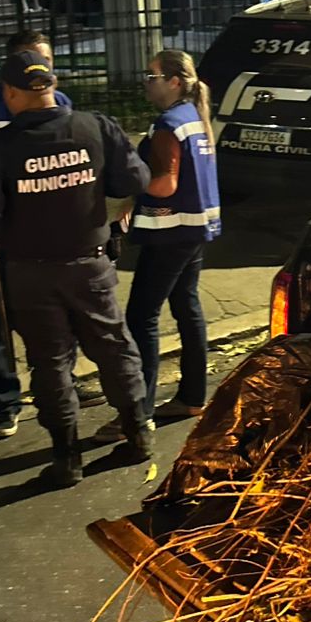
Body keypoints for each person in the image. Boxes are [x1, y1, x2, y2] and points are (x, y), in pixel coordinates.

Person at [0, 50, 150, 489]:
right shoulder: (95, 127)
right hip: (91, 265)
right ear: (52, 85)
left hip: (31, 274)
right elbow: (134, 180)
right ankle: (138, 434)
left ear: (10, 93)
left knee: (50, 362)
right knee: (114, 348)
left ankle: (67, 458)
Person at [0, 29, 73, 441]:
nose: (40, 69)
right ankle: (5, 402)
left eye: (46, 61)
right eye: (30, 61)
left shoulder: (62, 103)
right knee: (0, 318)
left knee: (58, 314)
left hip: (53, 231)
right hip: (4, 233)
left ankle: (61, 386)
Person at [121, 50, 221, 425]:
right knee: (186, 306)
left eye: (152, 76)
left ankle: (139, 411)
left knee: (141, 317)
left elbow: (164, 184)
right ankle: (193, 396)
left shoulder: (168, 124)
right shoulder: (194, 117)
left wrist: (127, 181)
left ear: (174, 82)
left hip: (168, 232)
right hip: (195, 228)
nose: (146, 83)